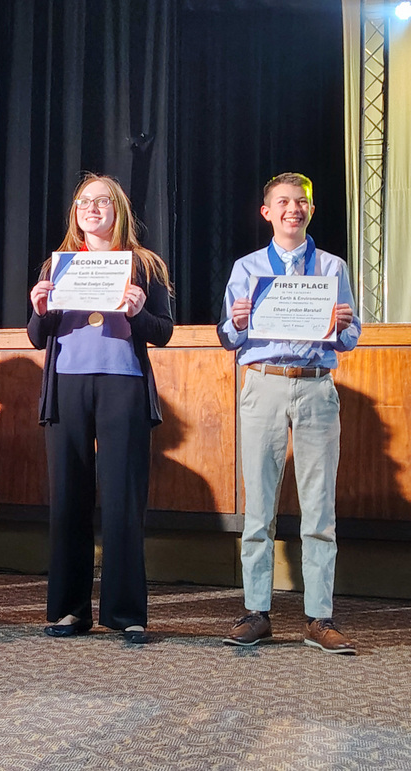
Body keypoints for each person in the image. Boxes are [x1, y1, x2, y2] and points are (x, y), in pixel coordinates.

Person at [27, 173, 173, 645]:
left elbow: (163, 331)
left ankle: (125, 612)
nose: (92, 208)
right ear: (75, 212)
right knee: (69, 498)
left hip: (123, 387)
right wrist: (39, 308)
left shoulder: (144, 265)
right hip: (67, 386)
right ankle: (69, 610)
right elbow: (37, 335)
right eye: (84, 201)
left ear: (119, 210)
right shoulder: (58, 264)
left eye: (103, 201)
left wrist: (137, 313)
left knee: (123, 501)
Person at [219, 172, 361, 654]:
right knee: (258, 507)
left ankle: (319, 618)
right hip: (263, 385)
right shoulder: (247, 268)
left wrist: (344, 326)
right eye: (283, 202)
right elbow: (229, 336)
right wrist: (236, 322)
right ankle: (257, 612)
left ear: (311, 211)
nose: (292, 209)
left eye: (301, 202)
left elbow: (350, 335)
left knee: (320, 509)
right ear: (267, 212)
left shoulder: (332, 267)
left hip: (317, 387)